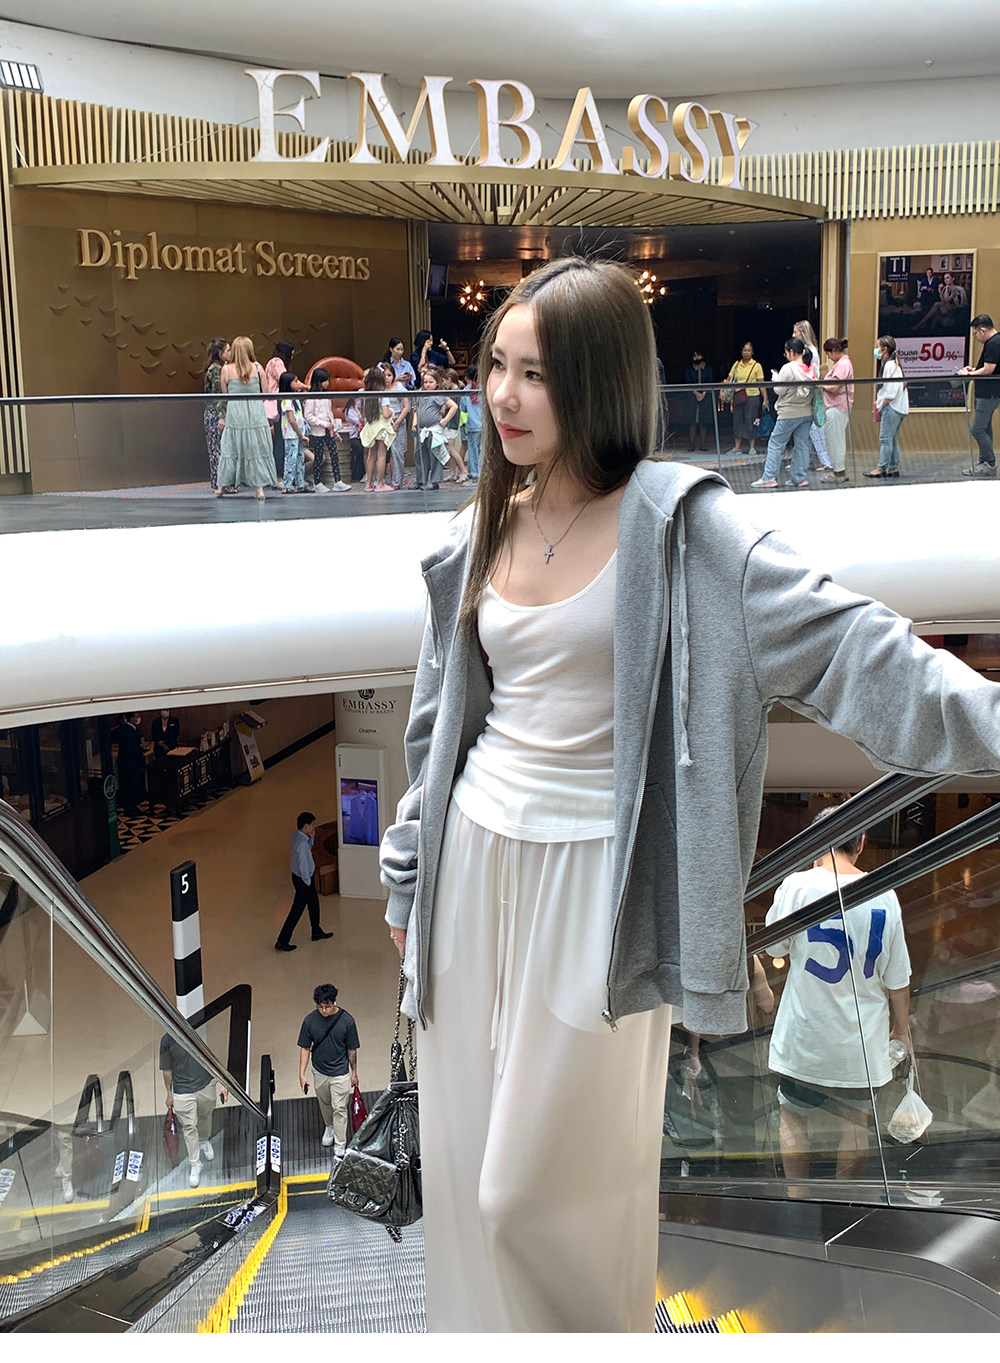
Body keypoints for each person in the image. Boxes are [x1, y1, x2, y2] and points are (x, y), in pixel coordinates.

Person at [379, 253, 1000, 1333]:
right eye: (496, 367)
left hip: (601, 891)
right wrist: (403, 881)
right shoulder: (484, 525)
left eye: (536, 374)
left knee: (531, 1197)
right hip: (470, 867)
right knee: (467, 1174)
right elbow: (439, 727)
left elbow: (859, 653)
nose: (503, 397)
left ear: (600, 381)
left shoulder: (685, 532)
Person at [765, 808, 911, 1183]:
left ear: (815, 841)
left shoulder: (797, 886)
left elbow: (775, 948)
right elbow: (897, 978)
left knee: (792, 1117)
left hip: (806, 1038)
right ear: (861, 843)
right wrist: (902, 1031)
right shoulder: (885, 894)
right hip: (860, 1043)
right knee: (855, 1124)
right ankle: (845, 1203)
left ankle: (797, 1200)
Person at [297, 983, 360, 1149]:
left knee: (339, 1108)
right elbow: (305, 1048)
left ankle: (340, 1144)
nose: (324, 1010)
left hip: (340, 1072)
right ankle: (329, 1126)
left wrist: (354, 1073)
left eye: (327, 1006)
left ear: (335, 1001)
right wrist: (302, 1074)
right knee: (324, 1102)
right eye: (320, 1007)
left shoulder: (347, 1021)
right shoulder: (309, 1021)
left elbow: (352, 1050)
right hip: (319, 1071)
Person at [160, 1033, 227, 1188]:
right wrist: (169, 1093)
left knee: (205, 1114)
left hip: (206, 1083)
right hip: (182, 1089)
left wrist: (224, 1082)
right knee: (189, 1127)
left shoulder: (200, 1028)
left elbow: (214, 1056)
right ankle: (195, 1164)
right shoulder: (167, 1040)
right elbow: (167, 1072)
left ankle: (203, 1140)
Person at [750, 336, 815, 490]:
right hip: (806, 411)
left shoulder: (788, 368)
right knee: (802, 445)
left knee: (776, 443)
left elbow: (779, 390)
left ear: (791, 352)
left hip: (788, 412)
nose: (786, 356)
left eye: (786, 353)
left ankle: (769, 477)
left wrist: (776, 378)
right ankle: (799, 478)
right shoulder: (812, 368)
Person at [217, 336, 277, 501]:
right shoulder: (258, 367)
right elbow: (266, 393)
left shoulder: (226, 370)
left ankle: (221, 487)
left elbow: (225, 395)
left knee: (230, 447)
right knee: (256, 447)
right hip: (255, 411)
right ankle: (260, 489)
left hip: (235, 412)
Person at [275, 811, 333, 951]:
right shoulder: (301, 844)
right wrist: (307, 882)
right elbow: (303, 865)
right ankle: (282, 941)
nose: (314, 827)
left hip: (300, 878)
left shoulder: (297, 836)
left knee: (313, 903)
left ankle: (316, 930)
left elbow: (308, 850)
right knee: (296, 910)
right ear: (305, 826)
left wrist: (311, 839)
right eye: (312, 824)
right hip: (303, 880)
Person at [958, 313, 1000, 478]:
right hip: (987, 393)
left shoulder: (994, 344)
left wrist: (969, 374)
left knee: (977, 429)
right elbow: (988, 368)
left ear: (982, 330)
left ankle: (990, 463)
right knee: (985, 428)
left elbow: (988, 370)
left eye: (975, 334)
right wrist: (974, 370)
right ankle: (984, 462)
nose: (975, 337)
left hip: (988, 394)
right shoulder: (994, 342)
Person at [864, 334, 909, 479]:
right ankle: (893, 467)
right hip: (899, 407)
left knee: (885, 439)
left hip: (892, 407)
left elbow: (892, 389)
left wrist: (883, 402)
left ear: (884, 350)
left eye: (877, 347)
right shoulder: (894, 365)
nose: (876, 350)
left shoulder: (889, 366)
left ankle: (881, 468)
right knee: (892, 438)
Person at [304, 368, 352, 492]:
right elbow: (308, 416)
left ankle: (338, 481)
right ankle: (317, 482)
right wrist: (324, 423)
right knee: (318, 456)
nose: (327, 383)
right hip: (318, 431)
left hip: (328, 430)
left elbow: (329, 413)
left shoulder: (326, 396)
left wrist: (334, 430)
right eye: (325, 381)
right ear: (318, 382)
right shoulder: (311, 397)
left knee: (334, 454)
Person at [793, 320, 831, 471]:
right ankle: (806, 459)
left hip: (810, 392)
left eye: (796, 332)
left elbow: (809, 373)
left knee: (815, 428)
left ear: (803, 333)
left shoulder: (810, 352)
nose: (794, 335)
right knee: (806, 428)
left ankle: (826, 461)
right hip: (809, 391)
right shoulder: (809, 350)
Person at [411, 368, 458, 490]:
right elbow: (416, 409)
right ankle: (421, 480)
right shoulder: (420, 394)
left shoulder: (439, 395)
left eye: (430, 382)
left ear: (436, 383)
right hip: (422, 430)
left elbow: (454, 406)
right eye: (425, 382)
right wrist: (415, 422)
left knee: (435, 455)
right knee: (420, 455)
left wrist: (445, 420)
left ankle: (435, 481)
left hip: (434, 430)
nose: (428, 385)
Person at [720, 341, 766, 457]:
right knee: (737, 421)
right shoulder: (736, 365)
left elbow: (761, 383)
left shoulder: (756, 366)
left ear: (752, 352)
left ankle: (752, 447)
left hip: (752, 396)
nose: (746, 352)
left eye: (749, 350)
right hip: (738, 396)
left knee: (751, 420)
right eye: (744, 350)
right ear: (741, 352)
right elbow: (728, 379)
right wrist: (722, 390)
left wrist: (765, 398)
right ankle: (737, 447)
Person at [818, 338, 855, 484]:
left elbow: (834, 387)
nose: (828, 357)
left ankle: (839, 473)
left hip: (837, 407)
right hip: (836, 407)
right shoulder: (841, 364)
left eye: (828, 354)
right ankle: (838, 471)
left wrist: (820, 385)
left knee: (835, 441)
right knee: (834, 440)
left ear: (834, 351)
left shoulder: (843, 365)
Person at [359, 364, 396, 492]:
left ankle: (369, 483)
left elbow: (364, 413)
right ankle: (380, 483)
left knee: (371, 455)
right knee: (381, 455)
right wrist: (391, 412)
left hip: (371, 426)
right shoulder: (383, 394)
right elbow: (385, 414)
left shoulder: (365, 394)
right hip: (382, 427)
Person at [264, 340, 294, 481]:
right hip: (278, 402)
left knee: (277, 439)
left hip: (272, 401)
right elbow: (285, 380)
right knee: (281, 440)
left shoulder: (270, 362)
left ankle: (277, 474)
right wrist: (304, 387)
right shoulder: (278, 363)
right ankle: (279, 475)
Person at [203, 337, 230, 491]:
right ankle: (221, 483)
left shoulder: (213, 368)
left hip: (212, 412)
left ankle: (218, 482)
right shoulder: (216, 371)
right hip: (216, 414)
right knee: (218, 449)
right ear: (220, 353)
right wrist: (222, 416)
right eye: (228, 350)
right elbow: (218, 394)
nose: (230, 353)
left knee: (215, 449)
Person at [380, 360, 411, 489]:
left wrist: (397, 422)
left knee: (397, 452)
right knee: (381, 452)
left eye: (389, 375)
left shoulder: (399, 388)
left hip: (397, 420)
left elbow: (407, 406)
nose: (387, 378)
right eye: (384, 375)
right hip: (383, 422)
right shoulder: (379, 388)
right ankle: (380, 480)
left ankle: (397, 481)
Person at [278, 370, 310, 494]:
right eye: (295, 381)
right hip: (292, 434)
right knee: (291, 459)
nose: (298, 383)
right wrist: (301, 434)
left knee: (300, 458)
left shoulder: (295, 399)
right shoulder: (286, 400)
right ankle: (287, 485)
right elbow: (291, 419)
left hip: (299, 433)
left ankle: (300, 483)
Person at [115, 711, 145, 815]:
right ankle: (129, 808)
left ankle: (132, 806)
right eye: (136, 717)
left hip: (131, 763)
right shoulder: (127, 731)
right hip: (129, 764)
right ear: (131, 718)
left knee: (132, 786)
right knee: (129, 786)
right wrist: (139, 748)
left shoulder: (131, 730)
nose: (138, 719)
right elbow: (130, 748)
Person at [684, 348, 713, 452]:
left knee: (703, 421)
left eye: (698, 355)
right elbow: (687, 382)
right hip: (692, 397)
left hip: (705, 397)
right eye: (694, 356)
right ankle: (691, 445)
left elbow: (710, 382)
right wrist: (696, 393)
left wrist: (703, 393)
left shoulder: (708, 368)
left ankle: (703, 445)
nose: (696, 358)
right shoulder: (689, 369)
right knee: (692, 421)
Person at [460, 365, 483, 480]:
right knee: (483, 449)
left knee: (473, 449)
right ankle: (483, 471)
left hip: (472, 424)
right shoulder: (485, 388)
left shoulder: (466, 390)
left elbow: (463, 408)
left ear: (467, 377)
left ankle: (474, 472)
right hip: (485, 424)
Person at [343, 395, 366, 484]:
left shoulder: (359, 409)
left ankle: (361, 473)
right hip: (353, 437)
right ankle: (358, 473)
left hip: (361, 436)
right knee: (361, 452)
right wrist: (357, 410)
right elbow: (359, 421)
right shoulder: (349, 411)